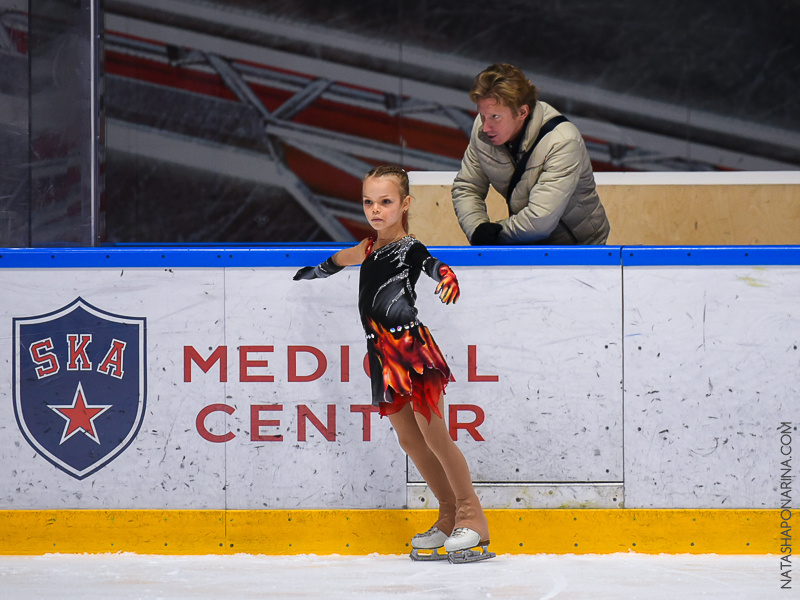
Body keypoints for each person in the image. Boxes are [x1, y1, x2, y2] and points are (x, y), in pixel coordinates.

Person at [294, 165, 493, 563]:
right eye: (368, 202)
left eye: (385, 202)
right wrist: (315, 272)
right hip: (382, 356)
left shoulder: (408, 247)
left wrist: (447, 273)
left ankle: (472, 516)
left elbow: (431, 264)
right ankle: (448, 514)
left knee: (436, 436)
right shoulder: (369, 248)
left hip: (411, 350)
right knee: (409, 439)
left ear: (404, 204)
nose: (375, 210)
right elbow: (339, 259)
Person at [452, 63, 610, 245]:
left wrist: (495, 235)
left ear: (522, 112)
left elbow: (540, 220)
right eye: (482, 115)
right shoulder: (482, 132)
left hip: (580, 248)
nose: (485, 127)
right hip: (527, 243)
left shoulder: (562, 141)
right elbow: (467, 187)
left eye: (495, 117)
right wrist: (477, 230)